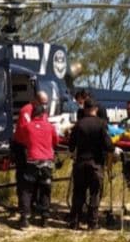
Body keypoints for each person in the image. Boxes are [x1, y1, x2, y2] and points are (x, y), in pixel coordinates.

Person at [67, 99, 114, 230]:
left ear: (85, 108)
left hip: (81, 163)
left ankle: (74, 222)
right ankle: (92, 223)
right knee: (94, 193)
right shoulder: (101, 124)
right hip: (96, 164)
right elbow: (109, 146)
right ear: (96, 109)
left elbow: (71, 146)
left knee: (78, 193)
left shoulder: (78, 124)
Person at [14, 91, 58, 229]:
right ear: (36, 101)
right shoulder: (26, 111)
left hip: (33, 156)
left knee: (33, 187)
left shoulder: (34, 122)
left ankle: (27, 215)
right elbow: (55, 139)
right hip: (39, 155)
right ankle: (43, 215)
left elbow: (27, 134)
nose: (45, 106)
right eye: (43, 103)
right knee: (39, 186)